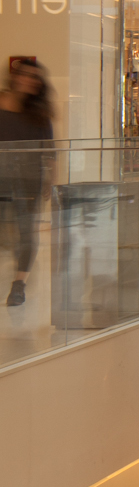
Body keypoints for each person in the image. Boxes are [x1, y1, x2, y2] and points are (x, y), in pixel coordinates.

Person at [0, 58, 54, 307]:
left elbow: (49, 151)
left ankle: (19, 284)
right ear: (15, 76)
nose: (29, 81)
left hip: (29, 179)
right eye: (25, 75)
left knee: (26, 231)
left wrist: (49, 180)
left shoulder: (39, 113)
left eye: (35, 78)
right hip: (2, 177)